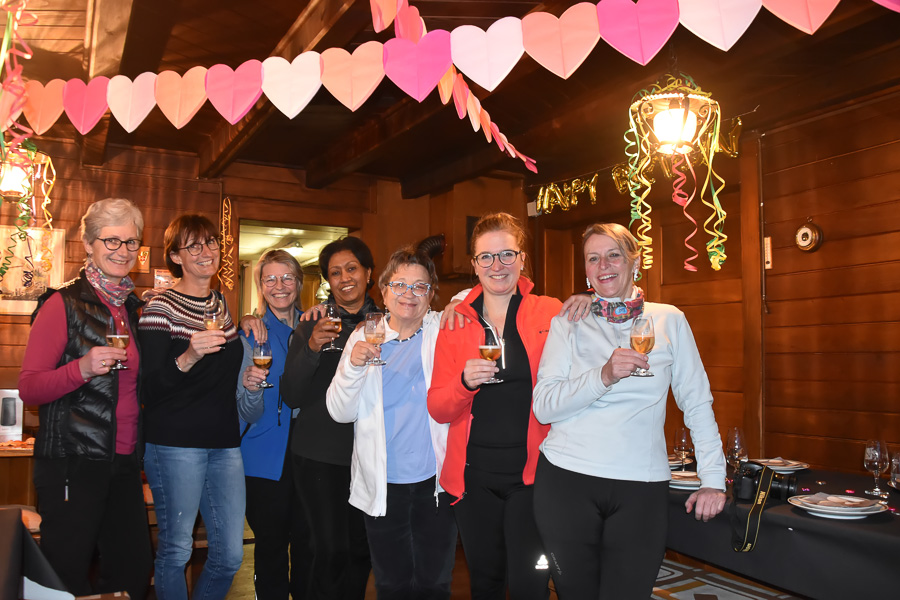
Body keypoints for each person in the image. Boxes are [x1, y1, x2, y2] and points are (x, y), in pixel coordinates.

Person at [531, 223, 727, 599]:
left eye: (614, 255)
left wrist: (713, 479)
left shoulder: (669, 320)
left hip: (641, 486)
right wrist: (603, 376)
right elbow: (544, 406)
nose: (603, 265)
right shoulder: (569, 322)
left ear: (635, 262)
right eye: (593, 258)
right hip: (566, 482)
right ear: (586, 271)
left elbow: (697, 403)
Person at [427, 212, 590, 600]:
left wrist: (590, 299)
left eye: (506, 254)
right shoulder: (455, 322)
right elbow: (438, 408)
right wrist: (464, 383)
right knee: (484, 583)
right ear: (474, 264)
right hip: (473, 479)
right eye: (486, 256)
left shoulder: (551, 311)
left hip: (534, 477)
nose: (496, 265)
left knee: (530, 585)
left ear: (522, 259)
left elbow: (584, 366)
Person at [19, 198, 152, 599]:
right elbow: (30, 387)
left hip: (124, 461)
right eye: (111, 240)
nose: (123, 251)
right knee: (67, 575)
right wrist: (83, 368)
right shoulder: (61, 304)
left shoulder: (132, 308)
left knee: (132, 571)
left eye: (131, 242)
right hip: (72, 462)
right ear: (89, 243)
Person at [326, 247, 457, 599]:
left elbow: (478, 298)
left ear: (431, 294)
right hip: (383, 483)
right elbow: (339, 412)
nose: (408, 294)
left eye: (419, 286)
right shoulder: (364, 337)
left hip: (436, 483)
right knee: (391, 585)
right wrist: (353, 367)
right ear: (383, 292)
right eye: (399, 285)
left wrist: (458, 303)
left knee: (435, 584)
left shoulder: (442, 330)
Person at [138, 214, 245, 600]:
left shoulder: (222, 305)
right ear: (176, 257)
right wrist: (188, 356)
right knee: (176, 551)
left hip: (224, 444)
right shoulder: (159, 308)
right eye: (194, 245)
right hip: (174, 444)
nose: (206, 251)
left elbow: (223, 376)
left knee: (230, 555)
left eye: (212, 242)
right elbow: (149, 387)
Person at [281, 237, 377, 600]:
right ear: (327, 281)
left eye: (352, 268)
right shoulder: (312, 324)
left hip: (369, 454)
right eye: (335, 273)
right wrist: (311, 347)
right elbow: (291, 394)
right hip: (319, 456)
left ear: (369, 273)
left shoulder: (387, 323)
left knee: (361, 550)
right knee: (330, 551)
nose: (344, 278)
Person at [237, 249, 313, 600]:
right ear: (260, 285)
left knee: (309, 543)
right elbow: (246, 412)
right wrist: (252, 390)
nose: (279, 285)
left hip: (310, 451)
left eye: (287, 278)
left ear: (299, 283)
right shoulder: (250, 335)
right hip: (264, 454)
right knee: (270, 546)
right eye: (270, 279)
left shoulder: (317, 327)